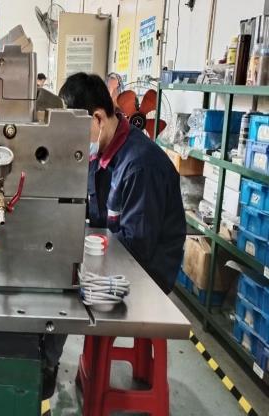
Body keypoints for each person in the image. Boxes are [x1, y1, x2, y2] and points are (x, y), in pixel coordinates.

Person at [41, 72, 186, 399]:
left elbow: (138, 251)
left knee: (67, 283)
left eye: (76, 132)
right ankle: (44, 355)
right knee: (57, 263)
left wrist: (83, 255)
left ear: (97, 118)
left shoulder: (139, 166)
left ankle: (46, 364)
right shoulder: (102, 152)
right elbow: (91, 212)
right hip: (118, 251)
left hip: (148, 272)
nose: (74, 142)